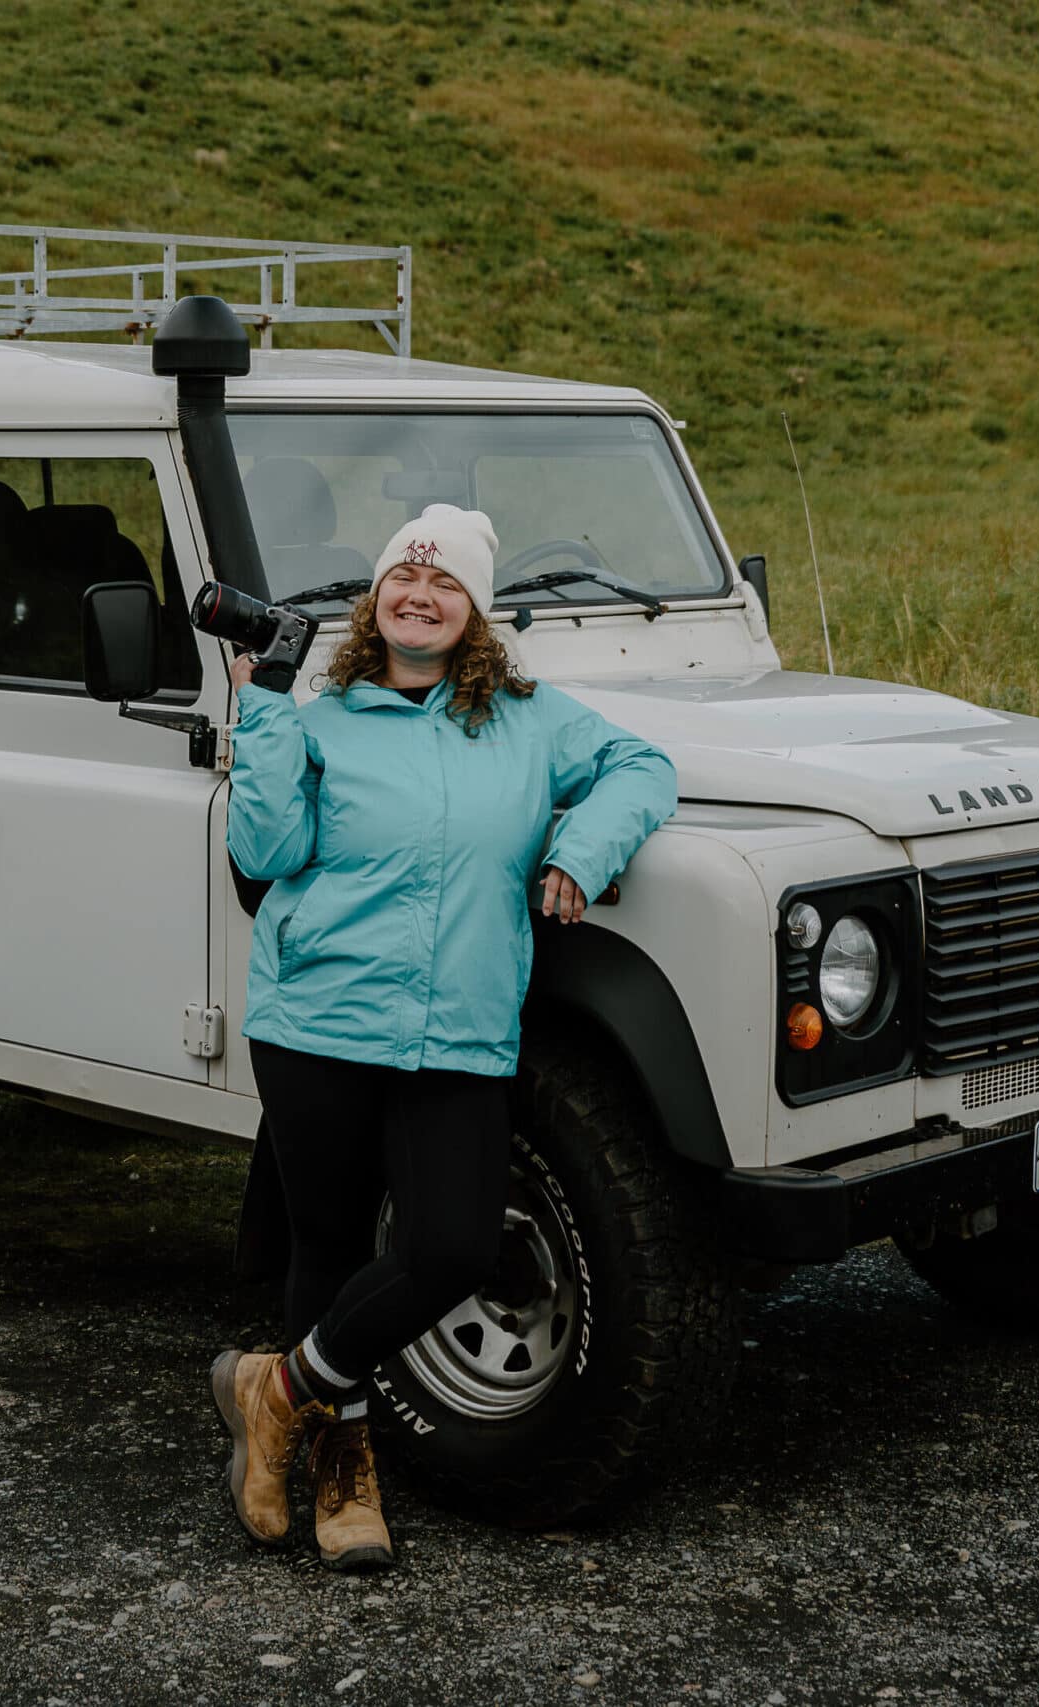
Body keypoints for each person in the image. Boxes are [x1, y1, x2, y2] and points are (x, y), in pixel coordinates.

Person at [209, 504, 677, 1570]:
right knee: (325, 1246)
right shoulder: (316, 720)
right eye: (402, 580)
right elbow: (267, 853)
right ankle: (343, 1474)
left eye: (445, 585)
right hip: (318, 1019)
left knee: (452, 1247)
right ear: (376, 601)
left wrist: (583, 853)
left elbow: (641, 767)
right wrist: (264, 718)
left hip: (456, 1028)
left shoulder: (529, 720)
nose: (419, 596)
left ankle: (270, 1390)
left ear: (475, 615)